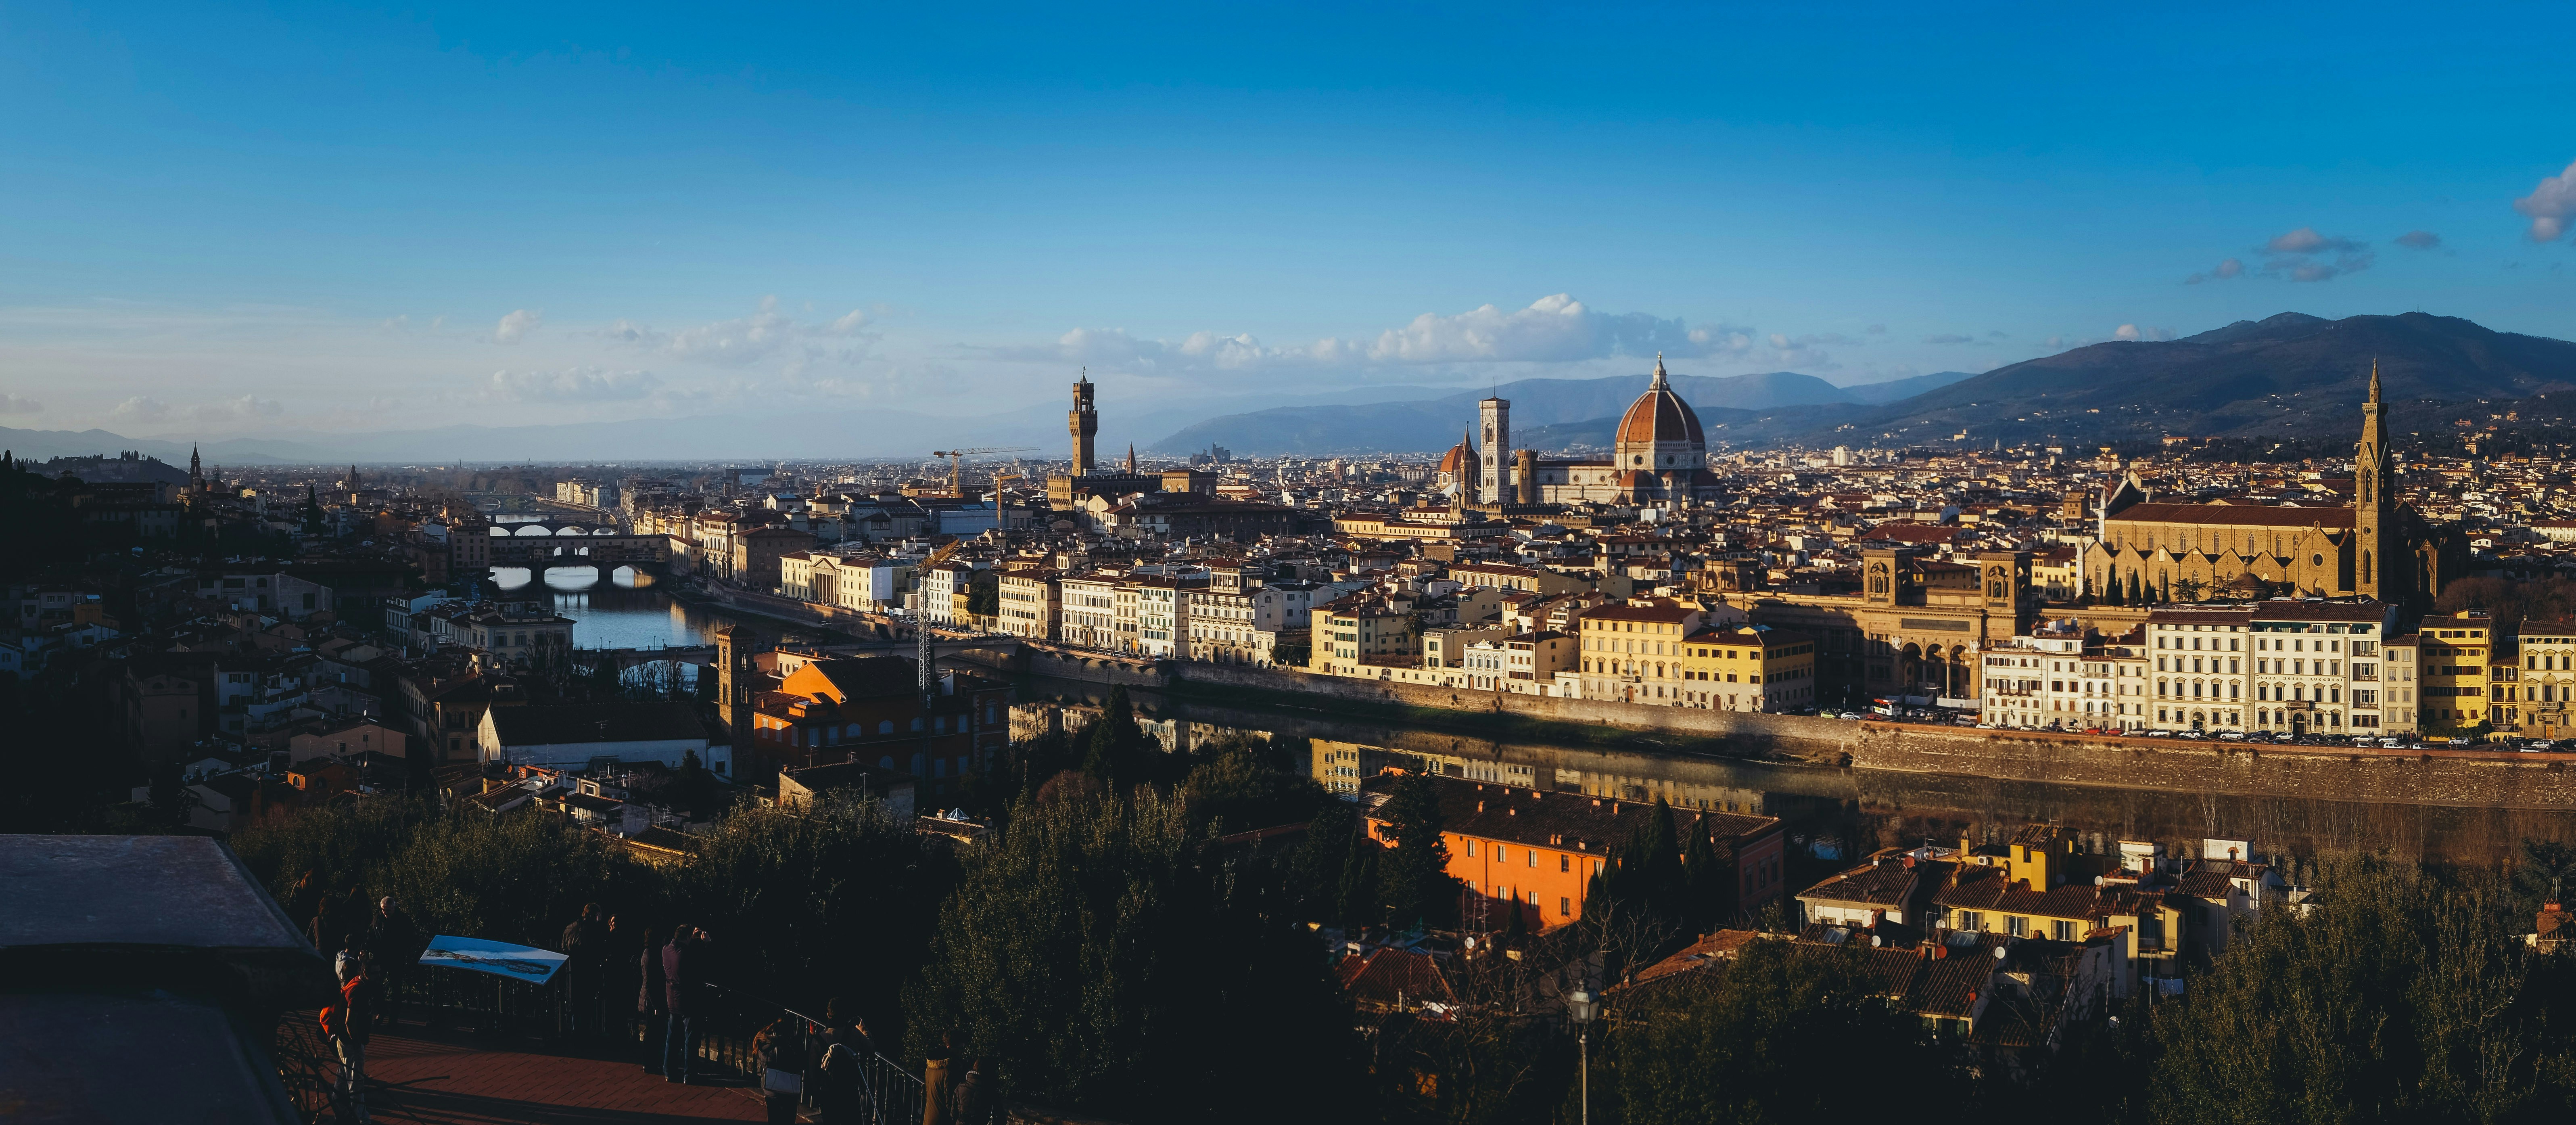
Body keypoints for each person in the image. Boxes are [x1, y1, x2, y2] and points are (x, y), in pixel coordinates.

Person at [320, 951, 374, 1125]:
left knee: (343, 1078)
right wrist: (357, 1041)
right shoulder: (358, 991)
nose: (378, 977)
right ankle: (362, 1118)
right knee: (355, 1080)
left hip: (342, 1039)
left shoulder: (353, 985)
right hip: (351, 1041)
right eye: (375, 973)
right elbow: (350, 1021)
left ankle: (340, 1111)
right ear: (364, 973)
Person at [814, 1001, 876, 1125]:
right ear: (844, 1015)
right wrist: (863, 1030)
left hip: (828, 1093)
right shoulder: (854, 1034)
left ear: (828, 1015)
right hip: (849, 1092)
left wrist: (816, 1094)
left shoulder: (820, 1038)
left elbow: (812, 1070)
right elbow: (871, 1049)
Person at [367, 896, 423, 1027]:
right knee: (377, 986)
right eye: (384, 910)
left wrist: (403, 949)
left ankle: (393, 1017)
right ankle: (382, 1011)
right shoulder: (378, 919)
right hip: (381, 958)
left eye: (388, 910)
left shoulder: (403, 920)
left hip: (396, 959)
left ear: (394, 908)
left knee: (396, 988)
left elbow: (412, 938)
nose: (386, 913)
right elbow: (371, 935)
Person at [560, 903, 608, 1037]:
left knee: (576, 1006)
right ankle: (585, 1034)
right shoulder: (593, 929)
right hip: (588, 972)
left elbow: (563, 948)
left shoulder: (570, 928)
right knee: (587, 1005)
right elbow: (599, 950)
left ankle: (577, 1032)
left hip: (572, 972)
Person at [661, 926, 698, 1083]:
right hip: (687, 1002)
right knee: (690, 1038)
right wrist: (704, 943)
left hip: (672, 1000)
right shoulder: (685, 954)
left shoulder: (666, 950)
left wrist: (691, 939)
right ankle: (689, 1075)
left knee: (672, 1037)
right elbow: (698, 965)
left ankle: (668, 1070)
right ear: (686, 938)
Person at [752, 1018, 806, 1125]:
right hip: (789, 1088)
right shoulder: (792, 1043)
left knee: (774, 1119)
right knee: (789, 1120)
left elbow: (763, 1062)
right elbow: (802, 1063)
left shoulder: (765, 1044)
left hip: (771, 1088)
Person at [636, 924, 668, 1074]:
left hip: (651, 999)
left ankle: (650, 1063)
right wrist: (656, 1005)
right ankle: (650, 1063)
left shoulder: (650, 953)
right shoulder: (650, 954)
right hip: (652, 1001)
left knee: (653, 1033)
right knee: (652, 1033)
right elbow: (650, 983)